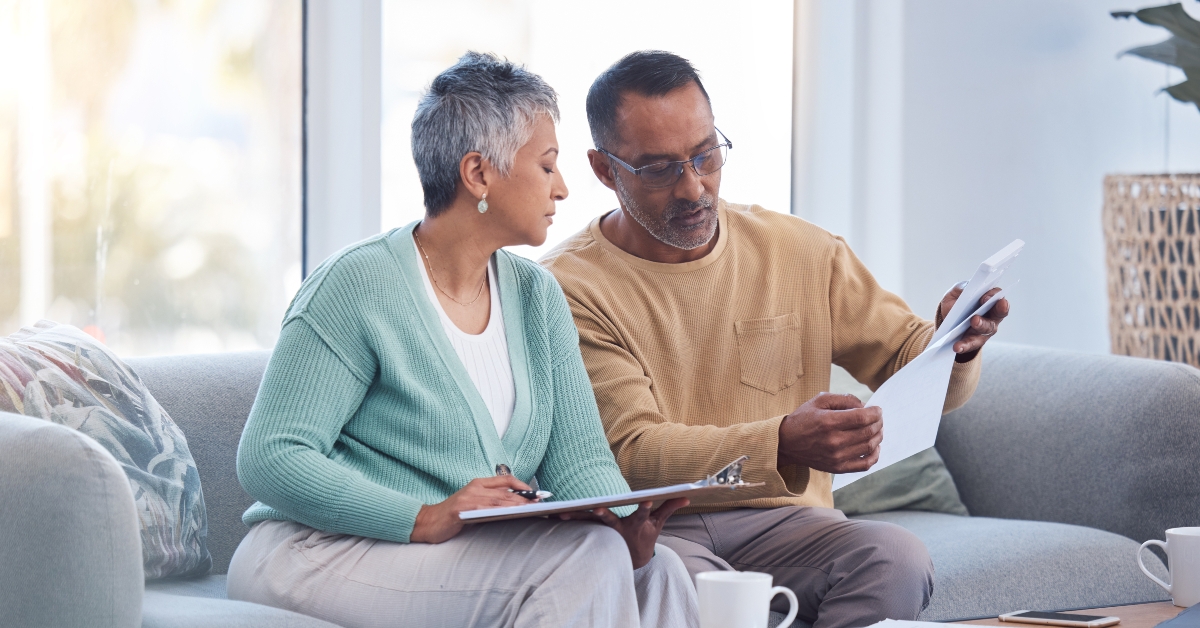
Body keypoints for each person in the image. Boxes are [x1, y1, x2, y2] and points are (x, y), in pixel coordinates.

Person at [226, 52, 699, 628]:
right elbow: (271, 456)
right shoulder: (356, 285)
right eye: (547, 166)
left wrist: (625, 523)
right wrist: (425, 515)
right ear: (478, 174)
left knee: (659, 570)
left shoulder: (538, 296)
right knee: (588, 559)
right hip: (318, 551)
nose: (563, 189)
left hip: (451, 556)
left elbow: (579, 463)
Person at [540, 50, 1011, 628]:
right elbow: (634, 455)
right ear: (604, 169)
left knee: (897, 558)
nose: (693, 186)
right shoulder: (568, 288)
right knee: (681, 587)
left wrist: (955, 342)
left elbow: (913, 366)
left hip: (790, 522)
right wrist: (782, 442)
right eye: (659, 169)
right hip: (660, 527)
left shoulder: (802, 251)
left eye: (705, 154)